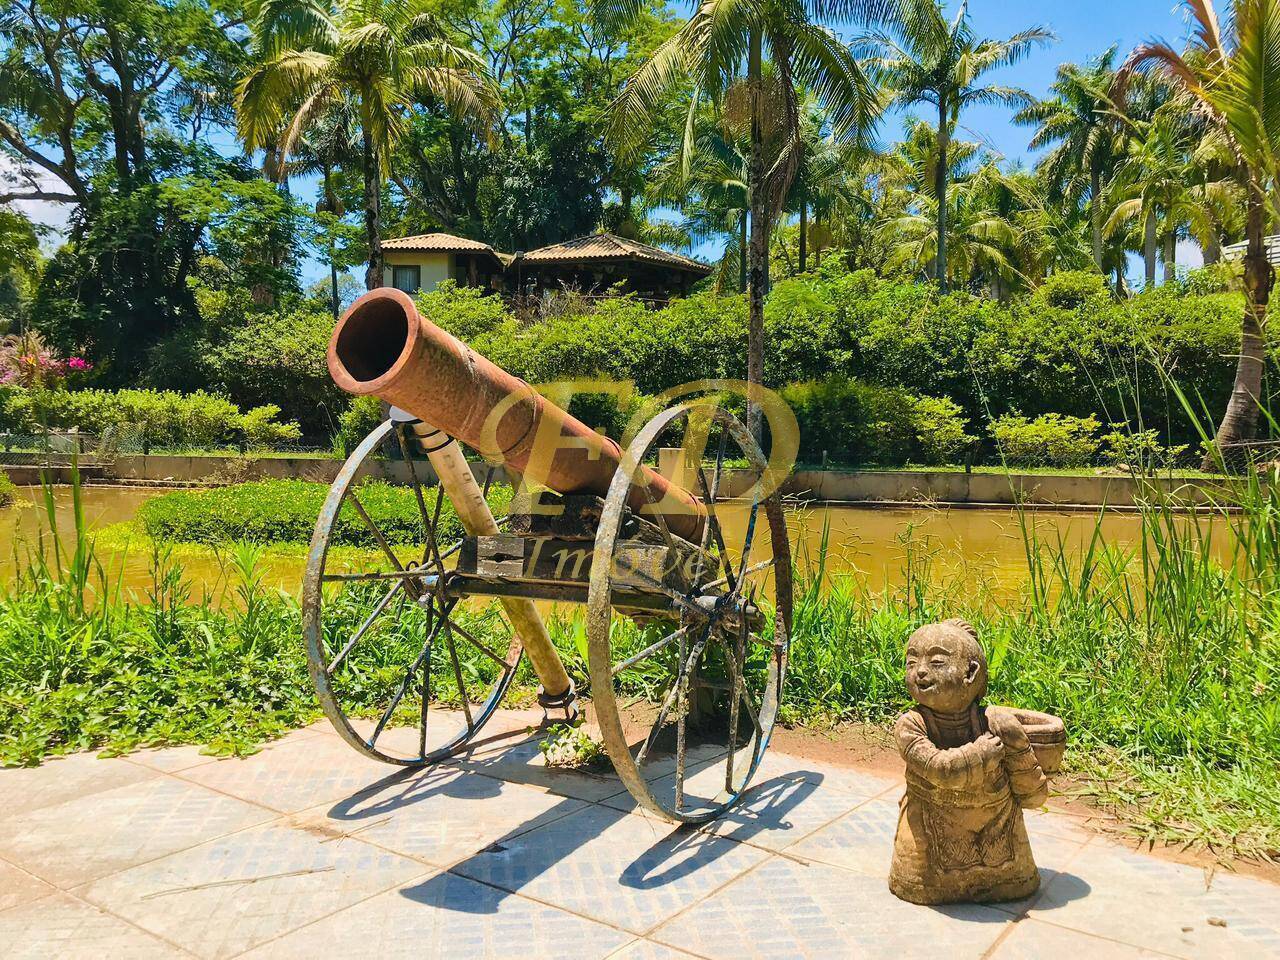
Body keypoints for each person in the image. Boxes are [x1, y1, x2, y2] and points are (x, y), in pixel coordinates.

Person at [888, 618, 1056, 905]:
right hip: (929, 834)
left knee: (1013, 880)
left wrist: (1018, 747)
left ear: (971, 673)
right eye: (911, 662)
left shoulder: (995, 723)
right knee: (920, 881)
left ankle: (1005, 879)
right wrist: (979, 754)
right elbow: (938, 769)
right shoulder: (911, 725)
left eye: (937, 662)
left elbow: (1033, 796)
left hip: (998, 833)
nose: (921, 672)